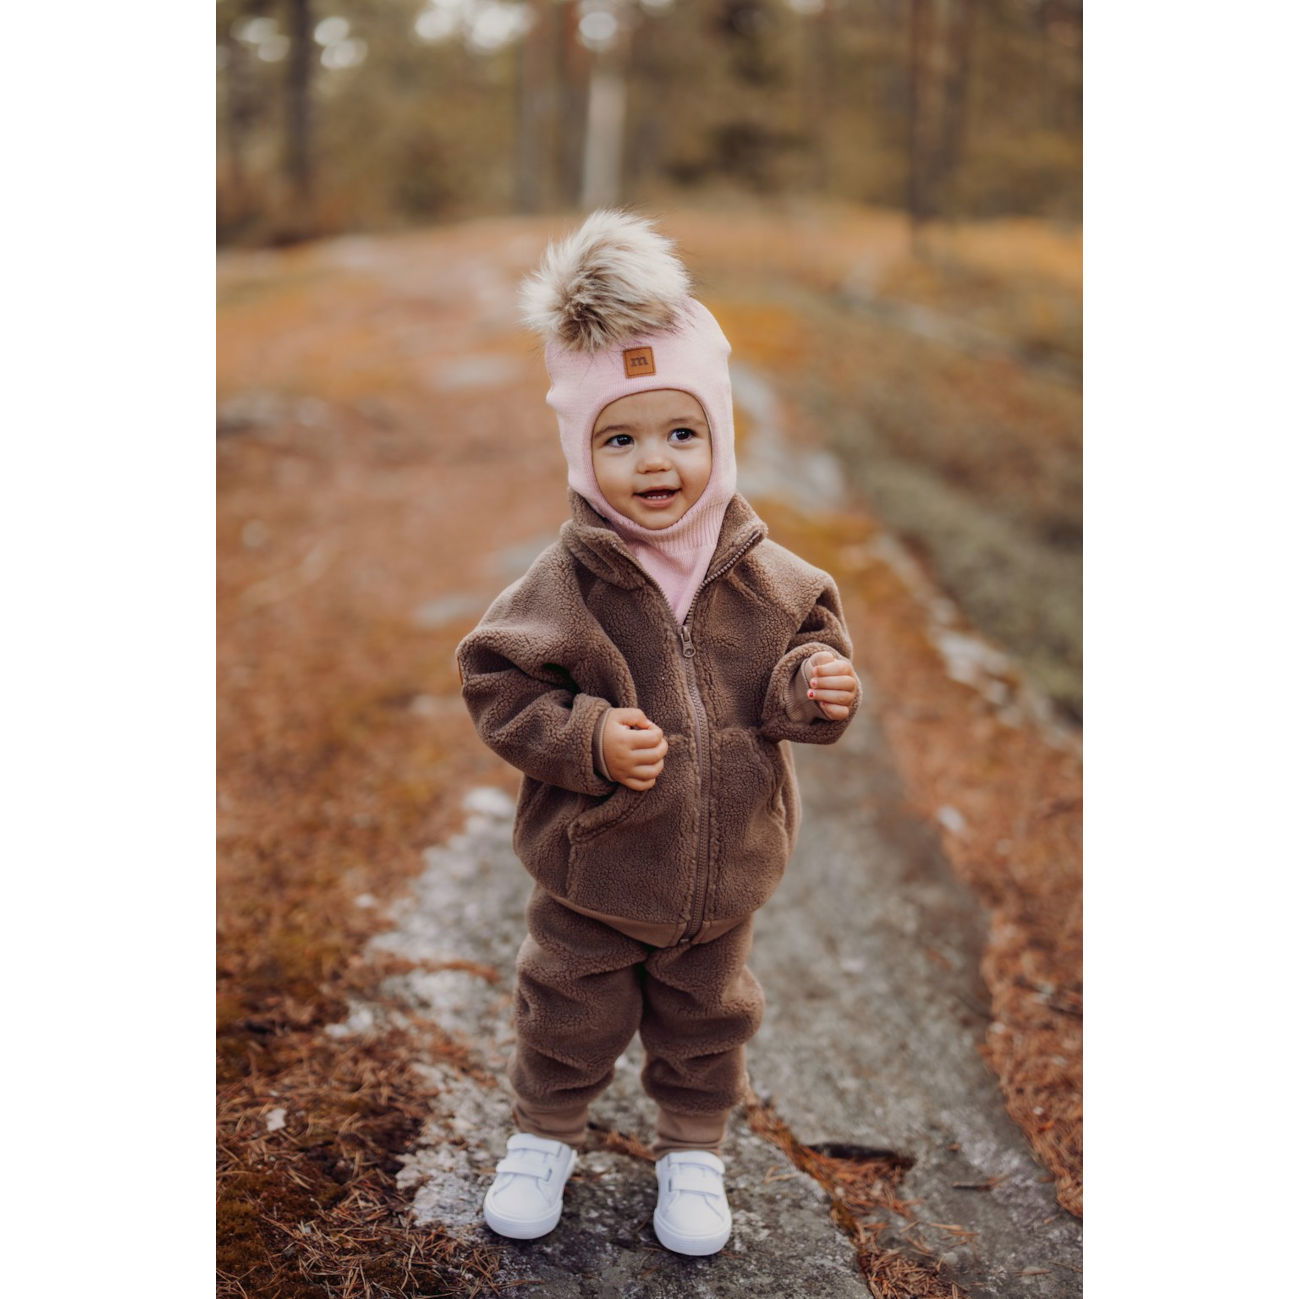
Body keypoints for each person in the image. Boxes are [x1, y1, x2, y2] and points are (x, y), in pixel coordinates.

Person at [455, 209, 861, 1256]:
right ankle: (545, 1135)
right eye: (620, 438)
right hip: (594, 874)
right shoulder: (566, 583)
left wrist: (811, 691)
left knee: (707, 1021)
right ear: (583, 452)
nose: (654, 462)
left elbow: (800, 675)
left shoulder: (775, 579)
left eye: (681, 433)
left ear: (718, 438)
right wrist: (586, 740)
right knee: (567, 1012)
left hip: (723, 874)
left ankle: (693, 1152)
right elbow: (495, 682)